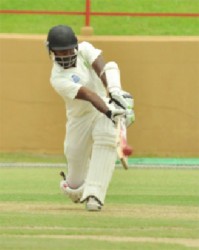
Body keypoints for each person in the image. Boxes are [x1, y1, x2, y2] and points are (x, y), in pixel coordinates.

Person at [46, 25, 135, 211]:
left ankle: (95, 194)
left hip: (104, 104)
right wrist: (113, 112)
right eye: (61, 51)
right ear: (52, 51)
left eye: (69, 49)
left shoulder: (85, 49)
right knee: (75, 184)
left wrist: (114, 95)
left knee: (112, 67)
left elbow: (101, 68)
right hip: (80, 119)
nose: (66, 54)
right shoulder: (57, 78)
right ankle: (73, 187)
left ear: (76, 45)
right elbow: (88, 95)